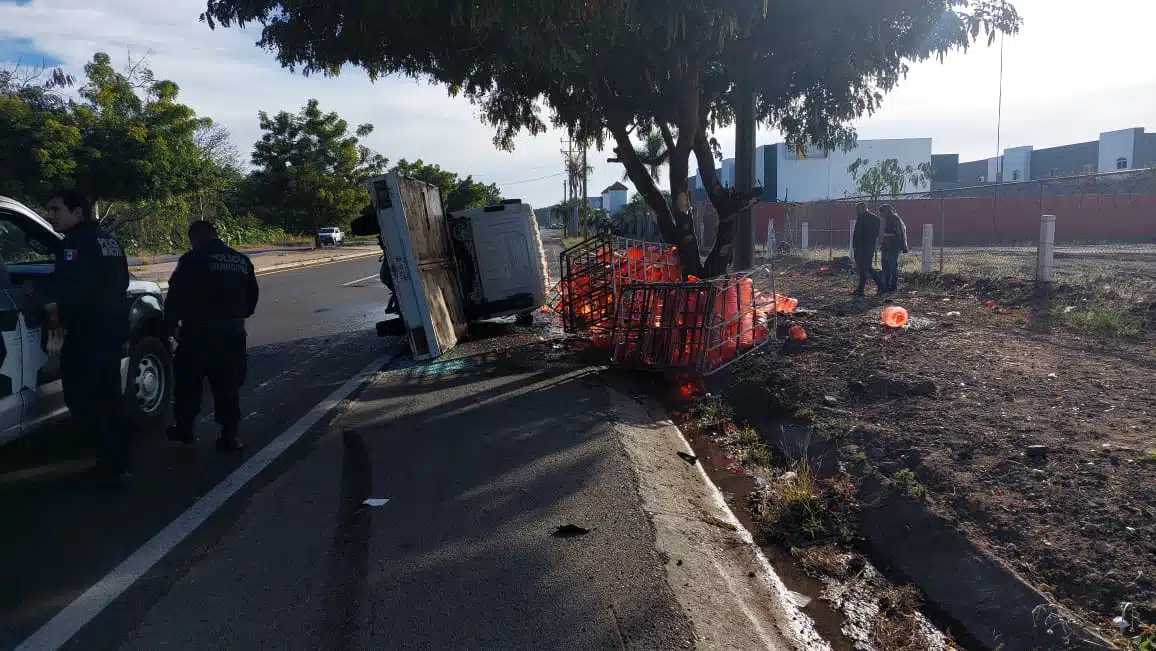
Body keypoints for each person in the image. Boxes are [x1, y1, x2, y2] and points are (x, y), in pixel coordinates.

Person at [44, 190, 132, 484]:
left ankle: (107, 462)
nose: (51, 216)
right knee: (109, 397)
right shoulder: (108, 240)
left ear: (78, 212)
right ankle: (120, 459)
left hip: (87, 333)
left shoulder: (75, 243)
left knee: (82, 399)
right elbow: (122, 281)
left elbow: (71, 289)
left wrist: (55, 314)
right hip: (112, 329)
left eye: (56, 210)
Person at [165, 221, 259, 451]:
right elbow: (251, 299)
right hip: (233, 333)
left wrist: (171, 325)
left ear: (195, 238)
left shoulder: (192, 259)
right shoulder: (241, 260)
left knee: (188, 385)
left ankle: (185, 430)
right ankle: (230, 436)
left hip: (198, 333)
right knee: (228, 386)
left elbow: (176, 293)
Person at [851, 202, 884, 296]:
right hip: (861, 246)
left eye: (858, 209)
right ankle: (861, 289)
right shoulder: (861, 217)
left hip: (866, 246)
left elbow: (878, 231)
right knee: (863, 268)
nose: (857, 211)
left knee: (866, 267)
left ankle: (881, 285)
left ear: (864, 208)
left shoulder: (873, 218)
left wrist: (870, 238)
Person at [878, 204, 909, 294]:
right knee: (886, 267)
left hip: (892, 247)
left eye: (881, 212)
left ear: (886, 211)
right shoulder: (888, 219)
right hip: (887, 246)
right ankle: (886, 286)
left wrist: (903, 246)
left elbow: (899, 233)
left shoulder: (894, 219)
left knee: (892, 267)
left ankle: (893, 287)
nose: (881, 215)